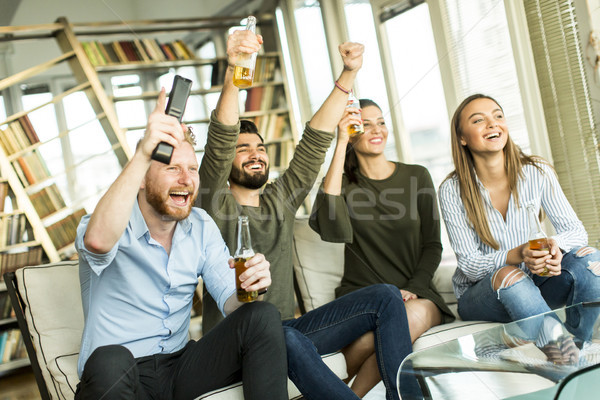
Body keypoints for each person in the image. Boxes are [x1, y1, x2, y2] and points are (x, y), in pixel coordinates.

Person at [197, 28, 414, 400]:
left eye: (261, 147)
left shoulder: (279, 199)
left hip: (288, 328)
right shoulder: (212, 205)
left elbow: (315, 139)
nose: (256, 153)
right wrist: (235, 72)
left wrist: (349, 74)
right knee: (281, 336)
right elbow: (219, 141)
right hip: (238, 339)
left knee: (385, 296)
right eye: (243, 147)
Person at [73, 90, 288, 400]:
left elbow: (232, 301)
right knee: (110, 359)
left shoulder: (200, 225)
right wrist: (144, 153)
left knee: (262, 314)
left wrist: (249, 286)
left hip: (180, 369)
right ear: (143, 178)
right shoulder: (111, 222)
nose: (186, 179)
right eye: (172, 168)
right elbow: (97, 241)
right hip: (122, 373)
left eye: (191, 169)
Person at [438, 93, 600, 341]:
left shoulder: (537, 171)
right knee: (509, 275)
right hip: (483, 297)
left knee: (591, 260)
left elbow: (576, 231)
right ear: (462, 138)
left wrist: (554, 247)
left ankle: (578, 345)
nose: (492, 124)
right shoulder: (452, 190)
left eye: (498, 116)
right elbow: (470, 266)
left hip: (535, 283)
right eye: (478, 120)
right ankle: (562, 355)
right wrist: (518, 254)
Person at [310, 98, 454, 338]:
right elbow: (330, 225)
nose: (377, 129)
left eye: (381, 122)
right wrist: (341, 141)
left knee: (403, 321)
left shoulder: (417, 176)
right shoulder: (344, 186)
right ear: (353, 131)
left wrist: (413, 288)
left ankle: (346, 379)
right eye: (366, 124)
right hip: (363, 295)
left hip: (415, 292)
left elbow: (432, 245)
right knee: (370, 338)